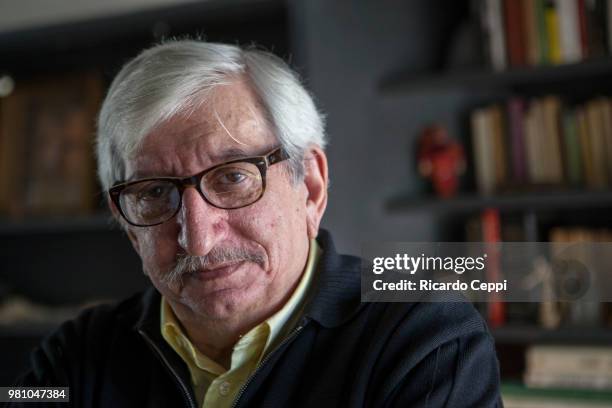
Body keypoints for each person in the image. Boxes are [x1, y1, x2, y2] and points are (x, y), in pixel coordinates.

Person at [8, 40, 501, 407]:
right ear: (125, 221)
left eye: (233, 178)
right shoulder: (75, 357)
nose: (197, 238)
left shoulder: (427, 339)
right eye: (155, 193)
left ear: (309, 186)